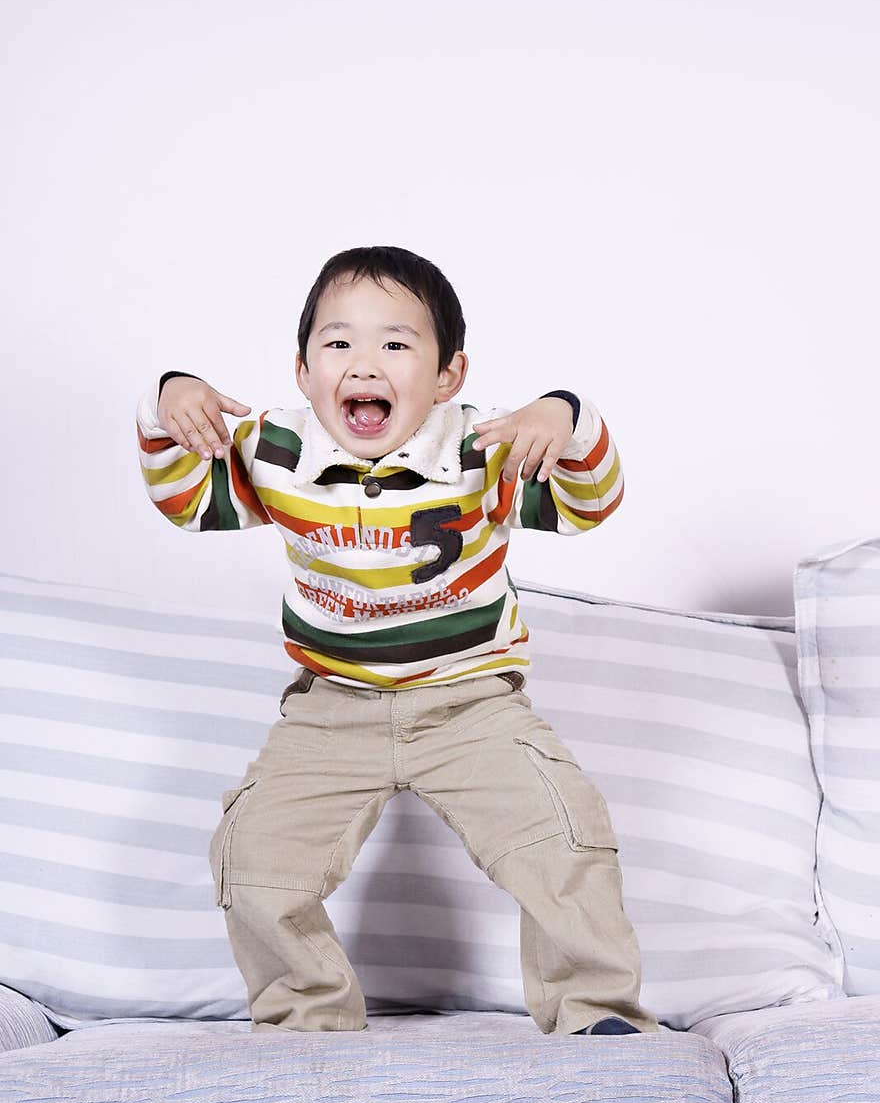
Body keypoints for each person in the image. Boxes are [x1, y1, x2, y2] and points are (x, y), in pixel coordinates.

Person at [135, 244, 661, 1039]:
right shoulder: (277, 450)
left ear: (448, 375)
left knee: (563, 836)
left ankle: (596, 1015)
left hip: (470, 703)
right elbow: (184, 497)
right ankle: (305, 1022)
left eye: (396, 344)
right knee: (252, 855)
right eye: (338, 344)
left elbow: (592, 502)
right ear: (305, 372)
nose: (363, 363)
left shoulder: (482, 447)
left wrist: (565, 412)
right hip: (330, 710)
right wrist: (169, 399)